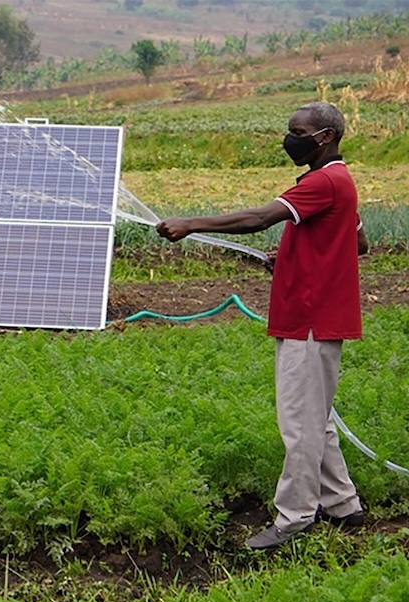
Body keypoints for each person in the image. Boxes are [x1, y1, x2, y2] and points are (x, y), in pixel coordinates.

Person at [155, 101, 371, 549]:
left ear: (325, 137)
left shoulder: (323, 181)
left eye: (298, 132)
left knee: (299, 424)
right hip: (314, 316)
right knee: (317, 418)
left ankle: (294, 518)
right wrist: (292, 256)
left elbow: (258, 218)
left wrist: (191, 223)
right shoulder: (340, 182)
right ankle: (342, 504)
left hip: (309, 319)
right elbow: (358, 242)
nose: (289, 139)